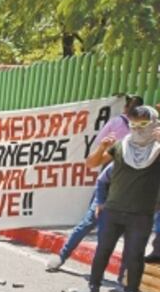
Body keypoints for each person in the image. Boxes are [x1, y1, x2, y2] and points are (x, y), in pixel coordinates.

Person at [47, 95, 144, 271]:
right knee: (94, 225)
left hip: (126, 194)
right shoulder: (123, 145)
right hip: (113, 188)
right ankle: (63, 256)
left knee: (115, 231)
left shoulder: (146, 146)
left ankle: (122, 277)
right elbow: (95, 165)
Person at [85, 105, 160, 292]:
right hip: (113, 210)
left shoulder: (157, 150)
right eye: (134, 124)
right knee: (103, 251)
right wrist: (101, 147)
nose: (137, 129)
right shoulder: (120, 146)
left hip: (141, 214)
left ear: (153, 124)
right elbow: (91, 164)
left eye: (143, 124)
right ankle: (93, 287)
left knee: (135, 256)